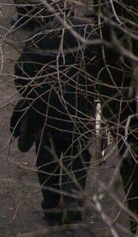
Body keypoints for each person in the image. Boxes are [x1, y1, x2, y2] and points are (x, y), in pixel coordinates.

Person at [10, 17, 98, 225]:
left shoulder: (39, 36)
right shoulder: (89, 34)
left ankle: (51, 205)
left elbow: (22, 74)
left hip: (46, 110)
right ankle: (72, 201)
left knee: (47, 158)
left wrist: (36, 93)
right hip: (80, 108)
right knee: (77, 153)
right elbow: (102, 73)